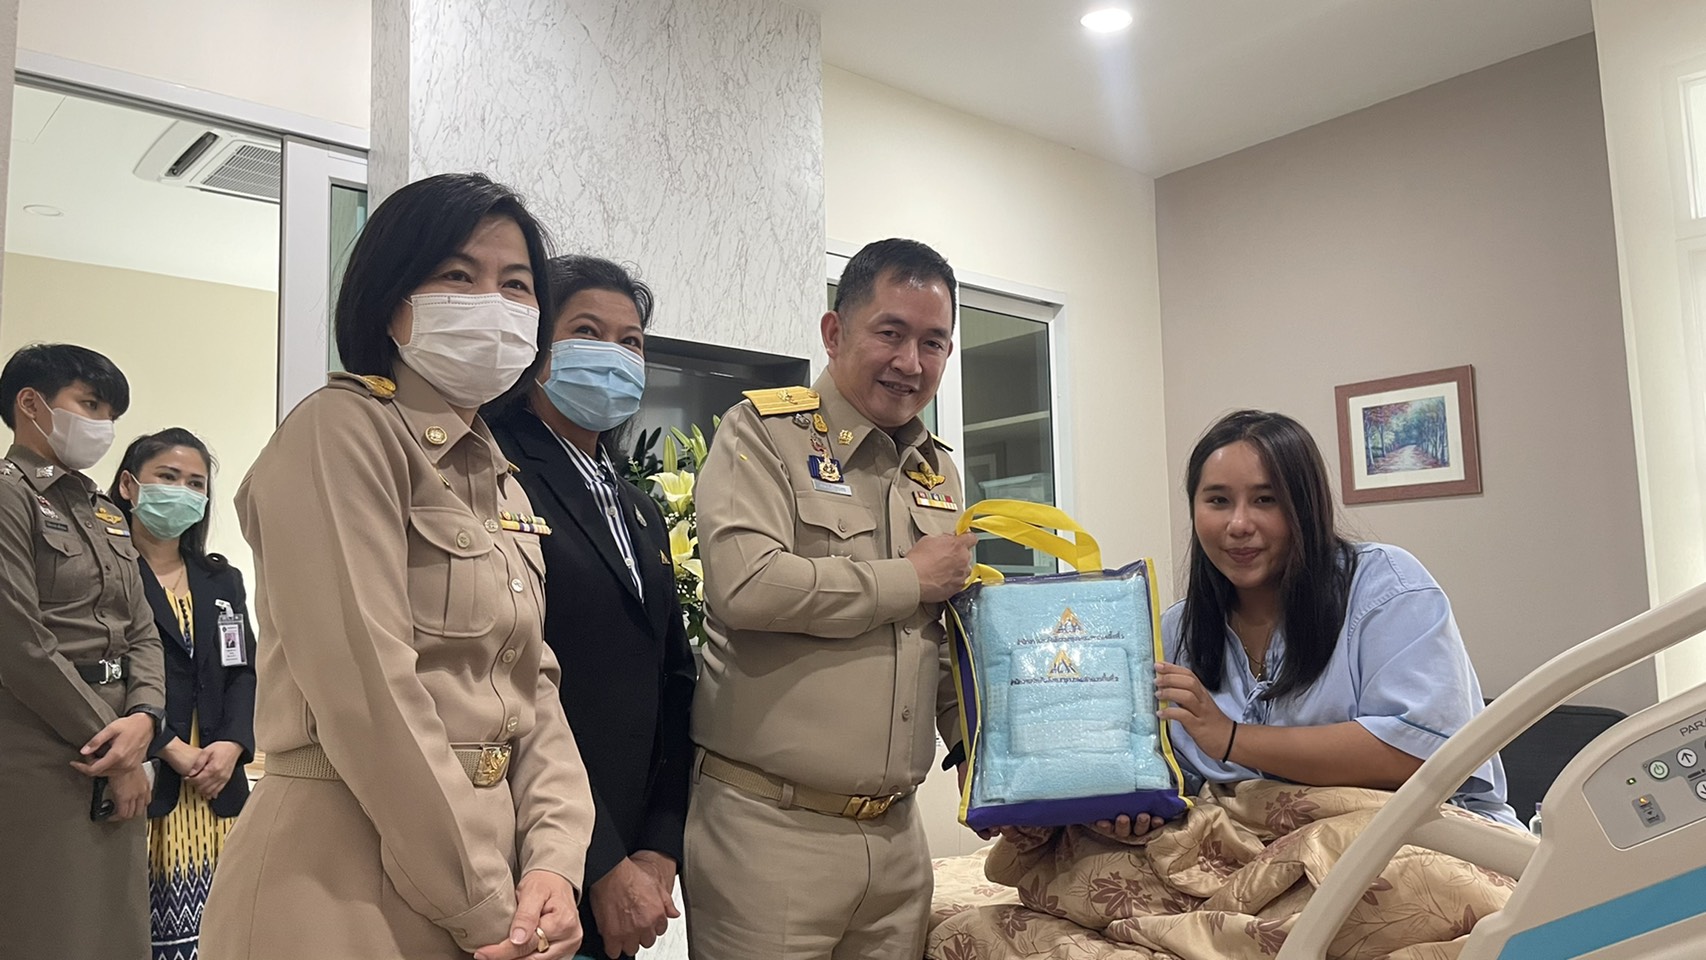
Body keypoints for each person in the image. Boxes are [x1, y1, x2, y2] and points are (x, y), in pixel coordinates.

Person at [199, 172, 596, 960]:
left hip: (484, 871)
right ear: (391, 302)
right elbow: (370, 693)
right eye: (458, 275)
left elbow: (533, 690)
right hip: (340, 868)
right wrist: (489, 907)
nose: (493, 303)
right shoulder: (340, 431)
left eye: (516, 285)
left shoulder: (500, 476)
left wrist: (555, 862)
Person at [686, 238, 979, 959]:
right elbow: (746, 584)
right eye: (891, 333)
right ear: (834, 331)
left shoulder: (937, 472)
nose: (910, 362)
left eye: (933, 342)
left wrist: (985, 756)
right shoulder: (763, 434)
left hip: (898, 838)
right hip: (771, 833)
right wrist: (908, 578)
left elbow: (944, 642)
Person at [1152, 409, 1519, 829]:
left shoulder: (1386, 586)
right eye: (1218, 501)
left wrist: (1232, 738)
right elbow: (1178, 780)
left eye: (1265, 500)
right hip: (1245, 842)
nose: (1238, 524)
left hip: (1411, 834)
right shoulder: (1177, 631)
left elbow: (1418, 753)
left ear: (1305, 507)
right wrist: (1140, 809)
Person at [488, 255, 695, 960]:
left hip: (634, 864)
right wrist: (601, 861)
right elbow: (509, 681)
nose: (613, 354)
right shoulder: (494, 475)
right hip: (530, 856)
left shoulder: (639, 509)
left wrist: (660, 847)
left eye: (630, 341)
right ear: (537, 348)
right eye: (586, 332)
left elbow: (673, 680)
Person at [0, 343, 166, 959]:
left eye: (111, 414)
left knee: (116, 928)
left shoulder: (103, 512)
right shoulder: (9, 496)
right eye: (90, 404)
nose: (103, 425)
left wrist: (145, 718)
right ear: (30, 404)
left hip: (121, 736)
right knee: (51, 924)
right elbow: (19, 642)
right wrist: (113, 749)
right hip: (44, 743)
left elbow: (142, 629)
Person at [107, 428, 256, 960]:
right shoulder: (107, 573)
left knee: (224, 934)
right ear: (129, 485)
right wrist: (171, 747)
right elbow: (107, 677)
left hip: (217, 784)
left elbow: (243, 670)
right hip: (143, 776)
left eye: (195, 484)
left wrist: (232, 745)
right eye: (167, 477)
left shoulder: (221, 579)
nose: (182, 492)